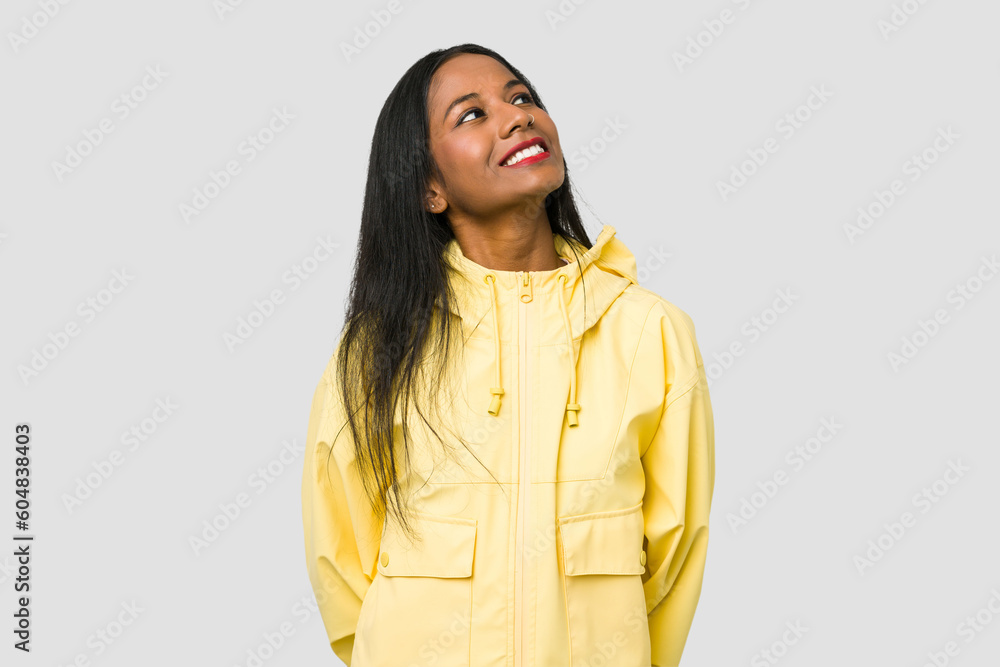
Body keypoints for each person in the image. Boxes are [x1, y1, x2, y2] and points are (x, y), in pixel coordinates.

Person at [301, 43, 716, 667]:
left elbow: (674, 552)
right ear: (430, 188)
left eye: (522, 98)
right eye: (471, 114)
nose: (516, 116)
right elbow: (343, 558)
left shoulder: (650, 333)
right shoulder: (378, 347)